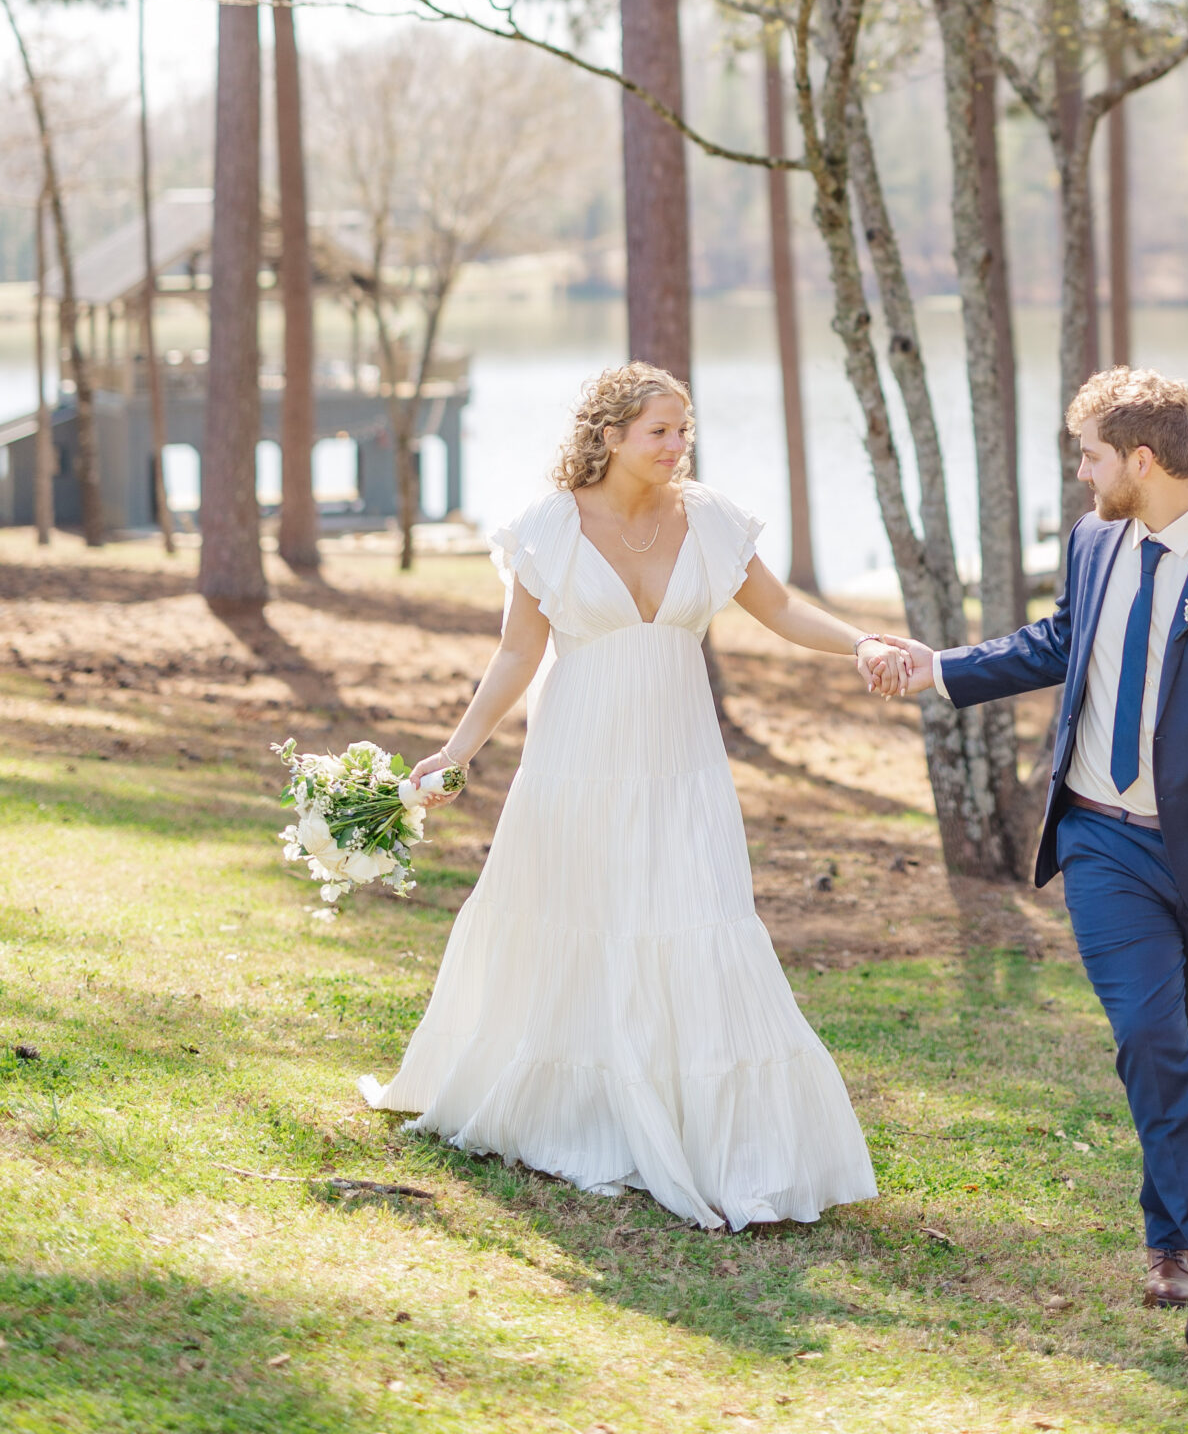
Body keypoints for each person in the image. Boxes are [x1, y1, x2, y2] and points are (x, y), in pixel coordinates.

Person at [877, 366, 1188, 1353]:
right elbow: (1066, 638)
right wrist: (940, 668)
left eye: (1090, 455)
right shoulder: (1096, 539)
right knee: (1152, 1033)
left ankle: (1170, 1237)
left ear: (1141, 460)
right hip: (1103, 836)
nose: (1080, 472)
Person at [361, 361, 902, 1231]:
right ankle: (579, 1110)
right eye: (660, 430)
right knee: (581, 918)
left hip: (681, 762)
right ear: (608, 437)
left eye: (684, 429)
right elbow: (515, 655)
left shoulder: (712, 518)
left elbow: (782, 609)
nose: (677, 445)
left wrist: (863, 644)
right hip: (576, 760)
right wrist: (456, 753)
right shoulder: (548, 527)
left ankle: (718, 1135)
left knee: (697, 914)